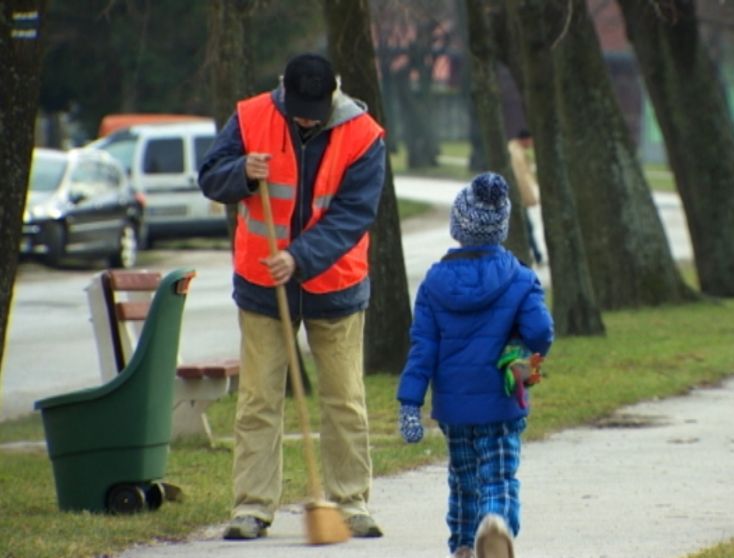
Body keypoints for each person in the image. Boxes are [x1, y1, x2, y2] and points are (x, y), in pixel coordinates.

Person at [198, 52, 386, 540]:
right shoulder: (252, 117)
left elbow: (353, 214)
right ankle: (252, 507)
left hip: (335, 286)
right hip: (263, 286)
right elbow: (210, 176)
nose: (305, 118)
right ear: (285, 92)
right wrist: (241, 170)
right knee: (259, 400)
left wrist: (300, 257)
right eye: (298, 109)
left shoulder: (364, 135)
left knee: (344, 399)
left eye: (314, 111)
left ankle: (351, 502)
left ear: (333, 95)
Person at [396, 172, 555, 558]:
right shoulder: (520, 277)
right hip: (502, 400)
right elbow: (541, 332)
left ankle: (464, 544)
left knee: (463, 478)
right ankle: (495, 522)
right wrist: (517, 344)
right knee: (498, 474)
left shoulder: (434, 282)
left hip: (453, 407)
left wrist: (409, 404)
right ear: (500, 228)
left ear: (458, 226)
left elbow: (422, 349)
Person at [506, 129, 543, 265]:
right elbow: (521, 179)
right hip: (517, 199)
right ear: (525, 139)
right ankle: (534, 255)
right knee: (526, 227)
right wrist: (529, 198)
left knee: (526, 227)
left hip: (514, 198)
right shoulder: (517, 154)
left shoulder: (514, 150)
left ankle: (534, 255)